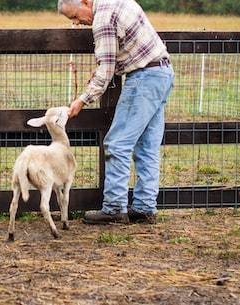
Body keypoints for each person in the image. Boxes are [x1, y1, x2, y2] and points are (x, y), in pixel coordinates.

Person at [58, 0, 174, 225]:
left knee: (117, 144)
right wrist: (106, 68)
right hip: (162, 72)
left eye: (74, 16)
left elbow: (106, 70)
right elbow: (123, 52)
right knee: (147, 146)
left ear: (85, 2)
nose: (76, 23)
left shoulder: (102, 19)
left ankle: (114, 208)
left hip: (144, 79)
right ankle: (144, 207)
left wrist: (82, 100)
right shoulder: (117, 3)